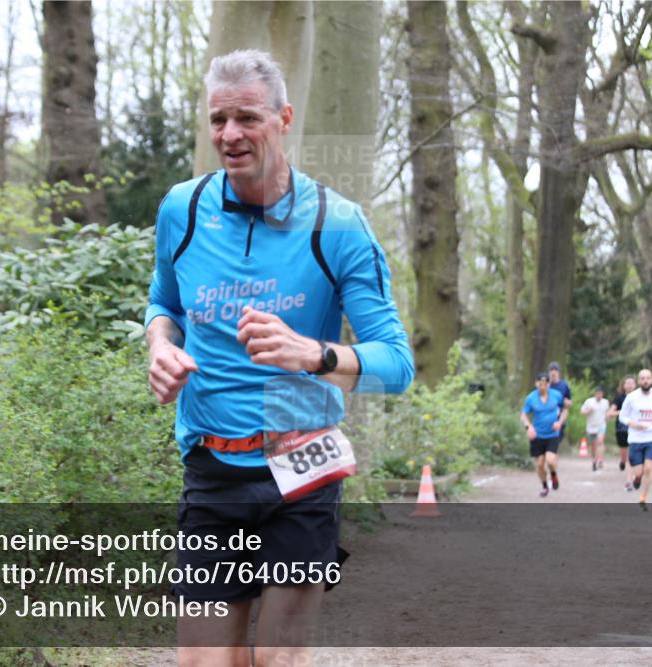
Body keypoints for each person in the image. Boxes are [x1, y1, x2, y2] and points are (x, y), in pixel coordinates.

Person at [144, 50, 414, 667]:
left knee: (277, 660)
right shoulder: (182, 210)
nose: (230, 134)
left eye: (248, 117)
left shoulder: (337, 224)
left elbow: (397, 364)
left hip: (301, 466)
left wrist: (313, 354)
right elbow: (165, 303)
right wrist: (161, 347)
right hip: (212, 468)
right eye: (218, 119)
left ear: (284, 118)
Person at [618, 369, 652, 510]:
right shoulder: (632, 397)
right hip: (635, 439)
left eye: (648, 378)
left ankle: (643, 498)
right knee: (639, 472)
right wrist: (633, 424)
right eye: (642, 378)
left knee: (649, 468)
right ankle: (637, 478)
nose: (645, 381)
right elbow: (622, 416)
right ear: (639, 381)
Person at [521, 372, 568, 497]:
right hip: (537, 435)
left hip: (552, 434)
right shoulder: (531, 398)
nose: (542, 386)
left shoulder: (556, 395)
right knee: (540, 464)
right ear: (536, 384)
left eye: (545, 384)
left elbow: (564, 410)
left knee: (550, 461)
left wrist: (559, 422)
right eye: (540, 384)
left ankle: (553, 474)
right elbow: (524, 415)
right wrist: (528, 427)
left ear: (549, 384)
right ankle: (545, 486)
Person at [606, 375, 636, 478]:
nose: (630, 385)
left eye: (632, 383)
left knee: (632, 452)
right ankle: (623, 462)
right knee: (624, 453)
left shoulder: (639, 398)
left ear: (635, 385)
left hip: (635, 428)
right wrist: (622, 412)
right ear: (623, 385)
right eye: (627, 383)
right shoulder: (619, 398)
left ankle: (631, 473)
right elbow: (610, 413)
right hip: (621, 428)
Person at [580, 387, 610, 471]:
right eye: (597, 393)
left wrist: (608, 416)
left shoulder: (605, 402)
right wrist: (588, 411)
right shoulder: (589, 401)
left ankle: (600, 460)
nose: (599, 395)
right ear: (595, 394)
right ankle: (594, 460)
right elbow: (582, 412)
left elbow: (607, 412)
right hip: (591, 426)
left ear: (602, 394)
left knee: (600, 441)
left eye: (600, 394)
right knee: (593, 445)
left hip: (601, 425)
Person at [548, 361, 572, 444]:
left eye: (555, 370)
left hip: (559, 417)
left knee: (555, 443)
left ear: (558, 372)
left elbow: (569, 402)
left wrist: (567, 402)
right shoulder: (545, 384)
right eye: (551, 370)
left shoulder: (564, 385)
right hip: (546, 416)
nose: (553, 372)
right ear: (549, 372)